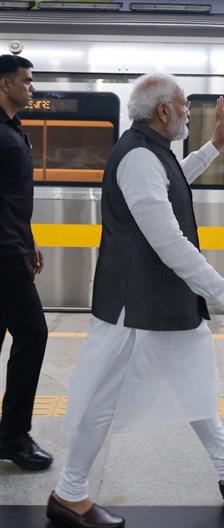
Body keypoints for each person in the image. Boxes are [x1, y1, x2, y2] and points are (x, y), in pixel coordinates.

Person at [46, 74, 224, 528]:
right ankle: (69, 494)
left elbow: (174, 182)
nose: (185, 115)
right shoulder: (139, 158)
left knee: (190, 376)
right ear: (162, 112)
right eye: (182, 107)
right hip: (133, 306)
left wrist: (214, 145)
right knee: (100, 399)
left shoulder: (151, 153)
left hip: (156, 301)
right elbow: (170, 242)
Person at [0, 54, 53, 472]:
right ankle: (14, 436)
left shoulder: (13, 129)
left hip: (15, 245)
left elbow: (12, 197)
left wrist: (30, 238)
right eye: (27, 81)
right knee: (33, 335)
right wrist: (17, 246)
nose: (32, 88)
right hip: (3, 254)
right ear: (5, 84)